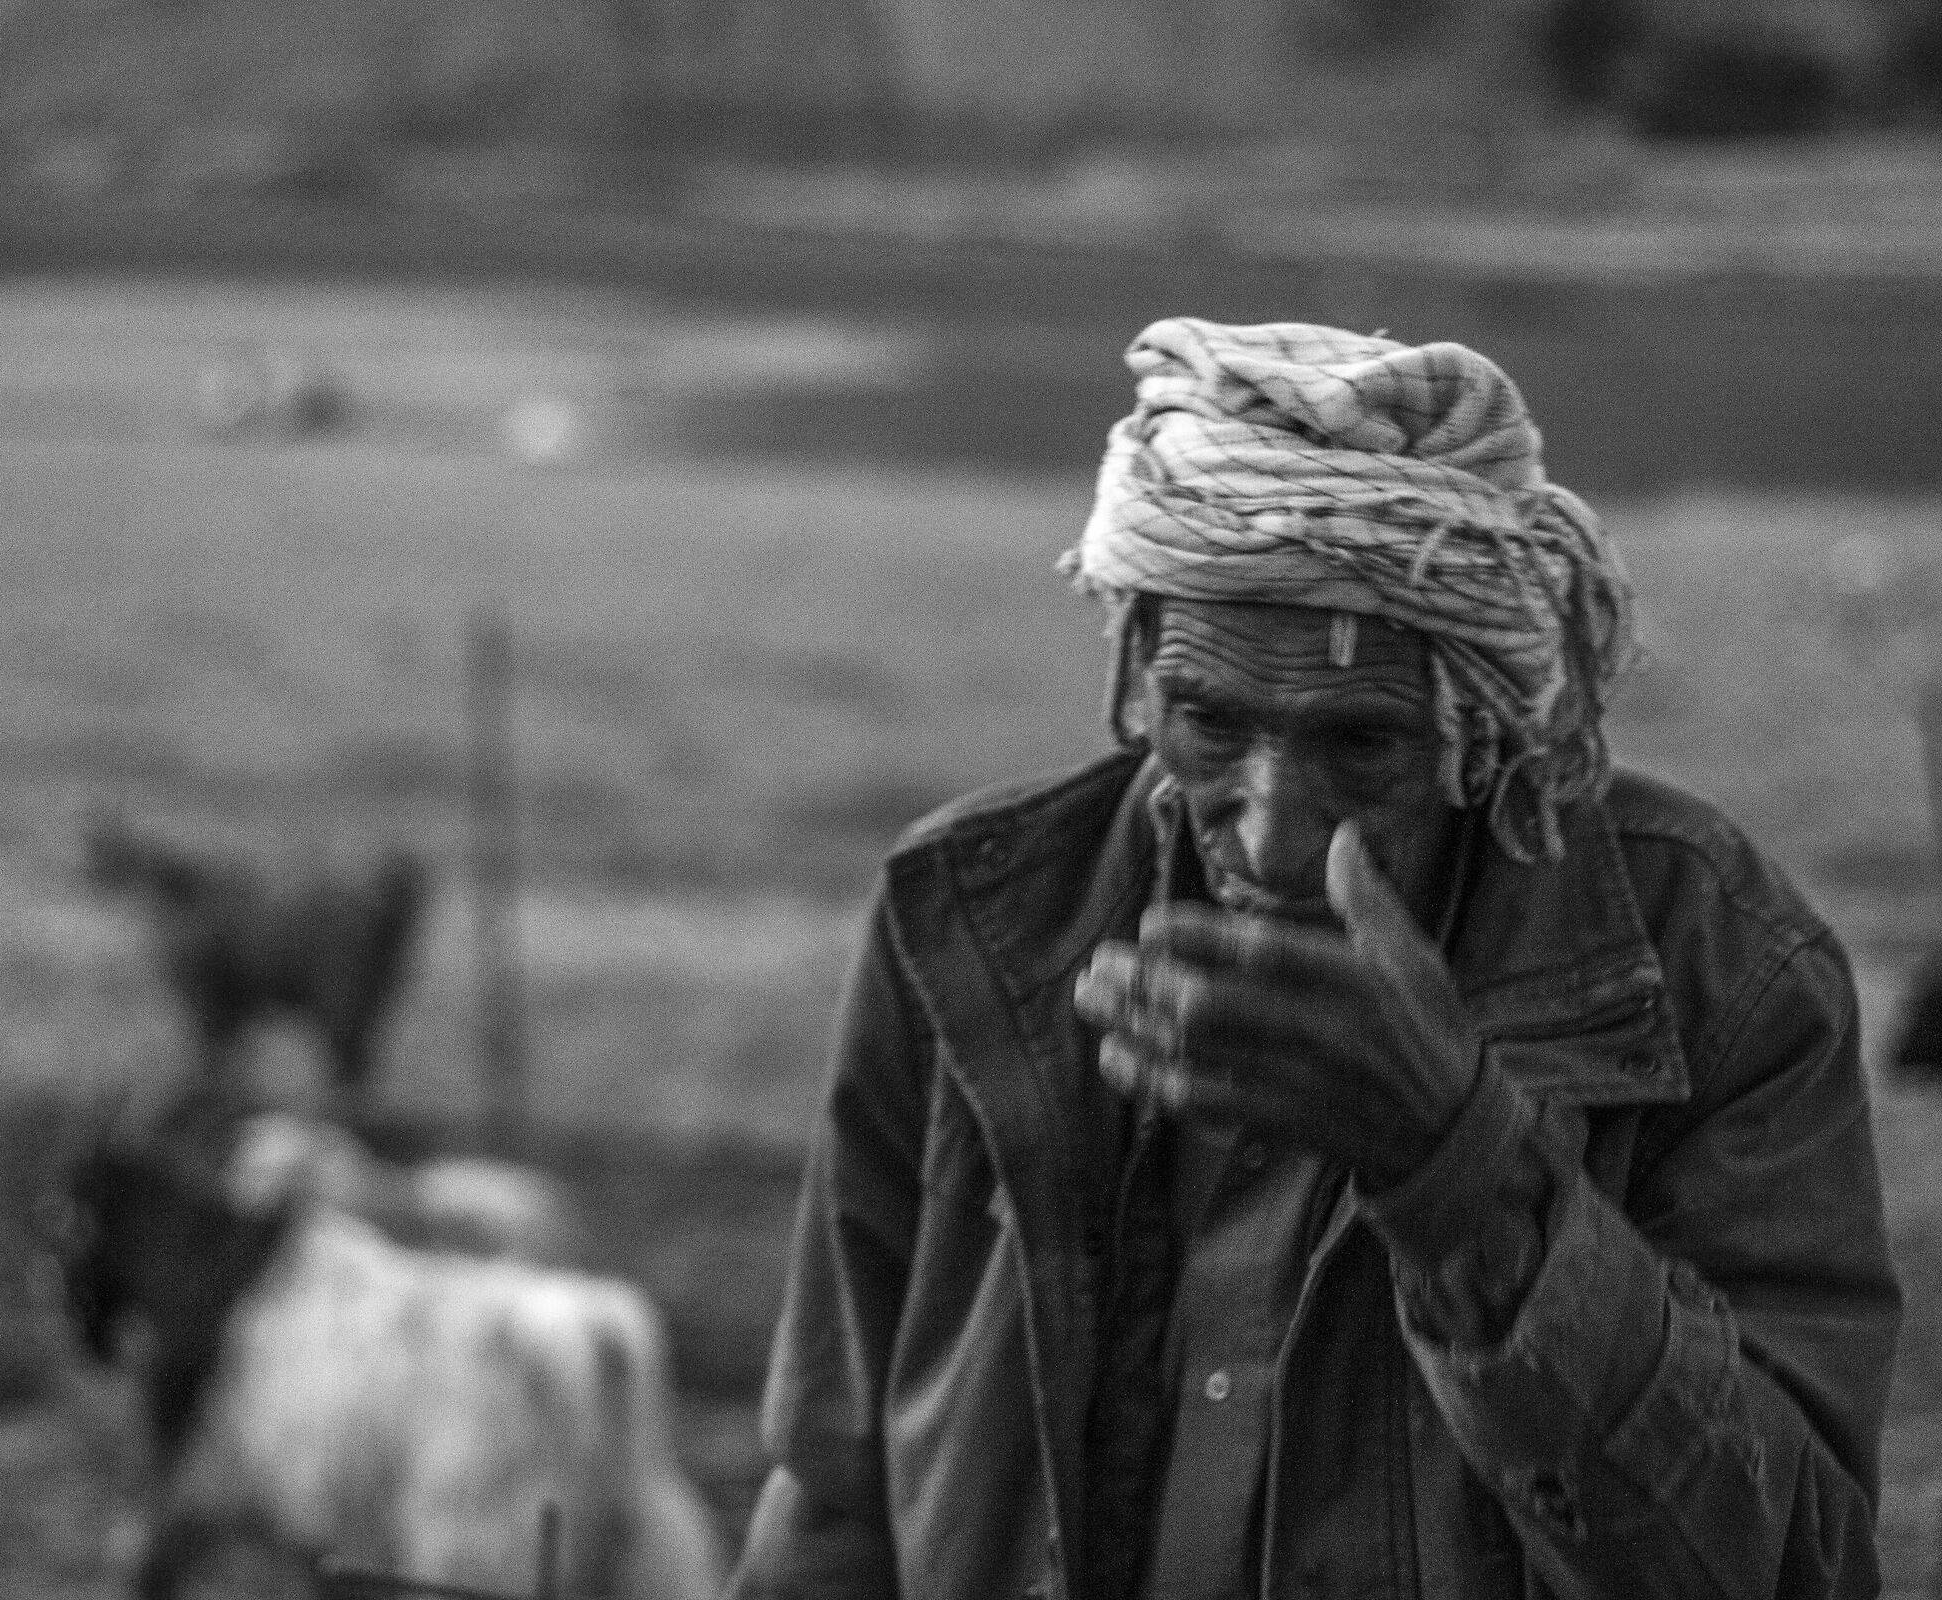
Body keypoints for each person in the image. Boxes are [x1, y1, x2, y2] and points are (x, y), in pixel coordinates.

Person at [726, 321, 1899, 1600]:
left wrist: (1460, 1169)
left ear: (1484, 729)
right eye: (1210, 722)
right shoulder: (972, 918)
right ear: (1137, 680)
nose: (1277, 835)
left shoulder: (1715, 966)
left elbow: (1795, 1570)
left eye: (1362, 746)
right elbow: (835, 1496)